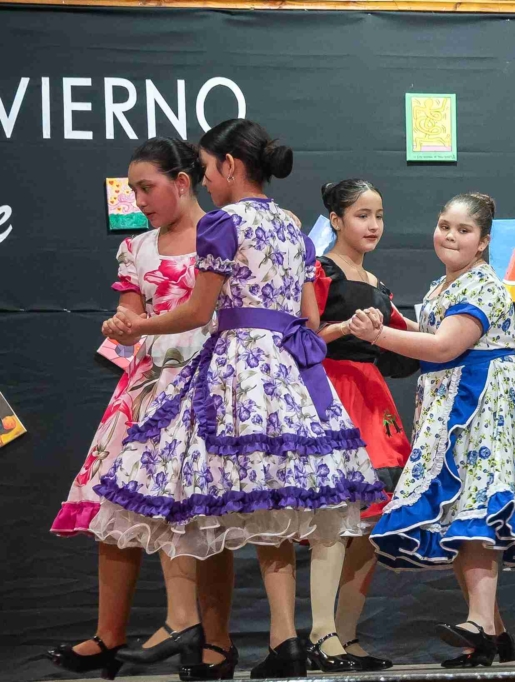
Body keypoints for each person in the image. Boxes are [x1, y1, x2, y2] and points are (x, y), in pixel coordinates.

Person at [92, 118, 384, 679]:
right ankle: (284, 642)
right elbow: (310, 319)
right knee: (274, 507)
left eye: (206, 168)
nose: (205, 180)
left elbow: (199, 311)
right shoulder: (292, 224)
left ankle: (187, 623)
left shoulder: (222, 222)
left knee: (181, 483)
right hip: (287, 371)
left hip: (235, 368)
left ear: (229, 166)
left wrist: (138, 327)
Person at [46, 138, 235, 681]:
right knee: (113, 505)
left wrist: (142, 325)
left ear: (183, 182)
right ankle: (109, 635)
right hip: (146, 385)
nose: (139, 200)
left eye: (147, 187)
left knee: (202, 514)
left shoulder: (223, 233)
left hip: (207, 382)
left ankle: (214, 643)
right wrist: (121, 323)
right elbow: (130, 313)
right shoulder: (138, 247)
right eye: (132, 190)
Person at [358, 192, 515, 668]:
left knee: (476, 512)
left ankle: (481, 624)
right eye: (445, 225)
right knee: (460, 517)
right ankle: (492, 635)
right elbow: (431, 336)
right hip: (453, 405)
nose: (450, 235)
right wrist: (389, 318)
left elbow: (445, 346)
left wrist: (378, 334)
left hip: (483, 406)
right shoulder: (443, 285)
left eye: (463, 230)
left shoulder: (482, 286)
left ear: (483, 242)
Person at [304, 179, 416, 673]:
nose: (373, 225)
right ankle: (320, 632)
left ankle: (346, 635)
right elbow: (301, 338)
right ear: (335, 220)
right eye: (362, 215)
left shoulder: (377, 283)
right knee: (333, 519)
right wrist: (345, 328)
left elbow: (407, 342)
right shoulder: (317, 271)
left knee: (371, 524)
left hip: (373, 400)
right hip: (330, 394)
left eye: (379, 216)